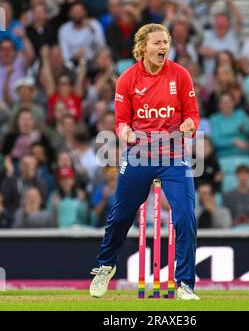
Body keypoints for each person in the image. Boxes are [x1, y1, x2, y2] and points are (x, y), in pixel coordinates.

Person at [89, 23, 200, 300]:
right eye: (157, 43)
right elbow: (120, 122)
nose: (164, 47)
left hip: (173, 155)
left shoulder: (180, 75)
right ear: (142, 48)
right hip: (139, 155)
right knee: (121, 216)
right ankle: (105, 267)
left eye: (166, 42)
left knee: (185, 216)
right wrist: (125, 132)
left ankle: (184, 284)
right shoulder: (127, 79)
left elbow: (193, 116)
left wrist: (188, 125)